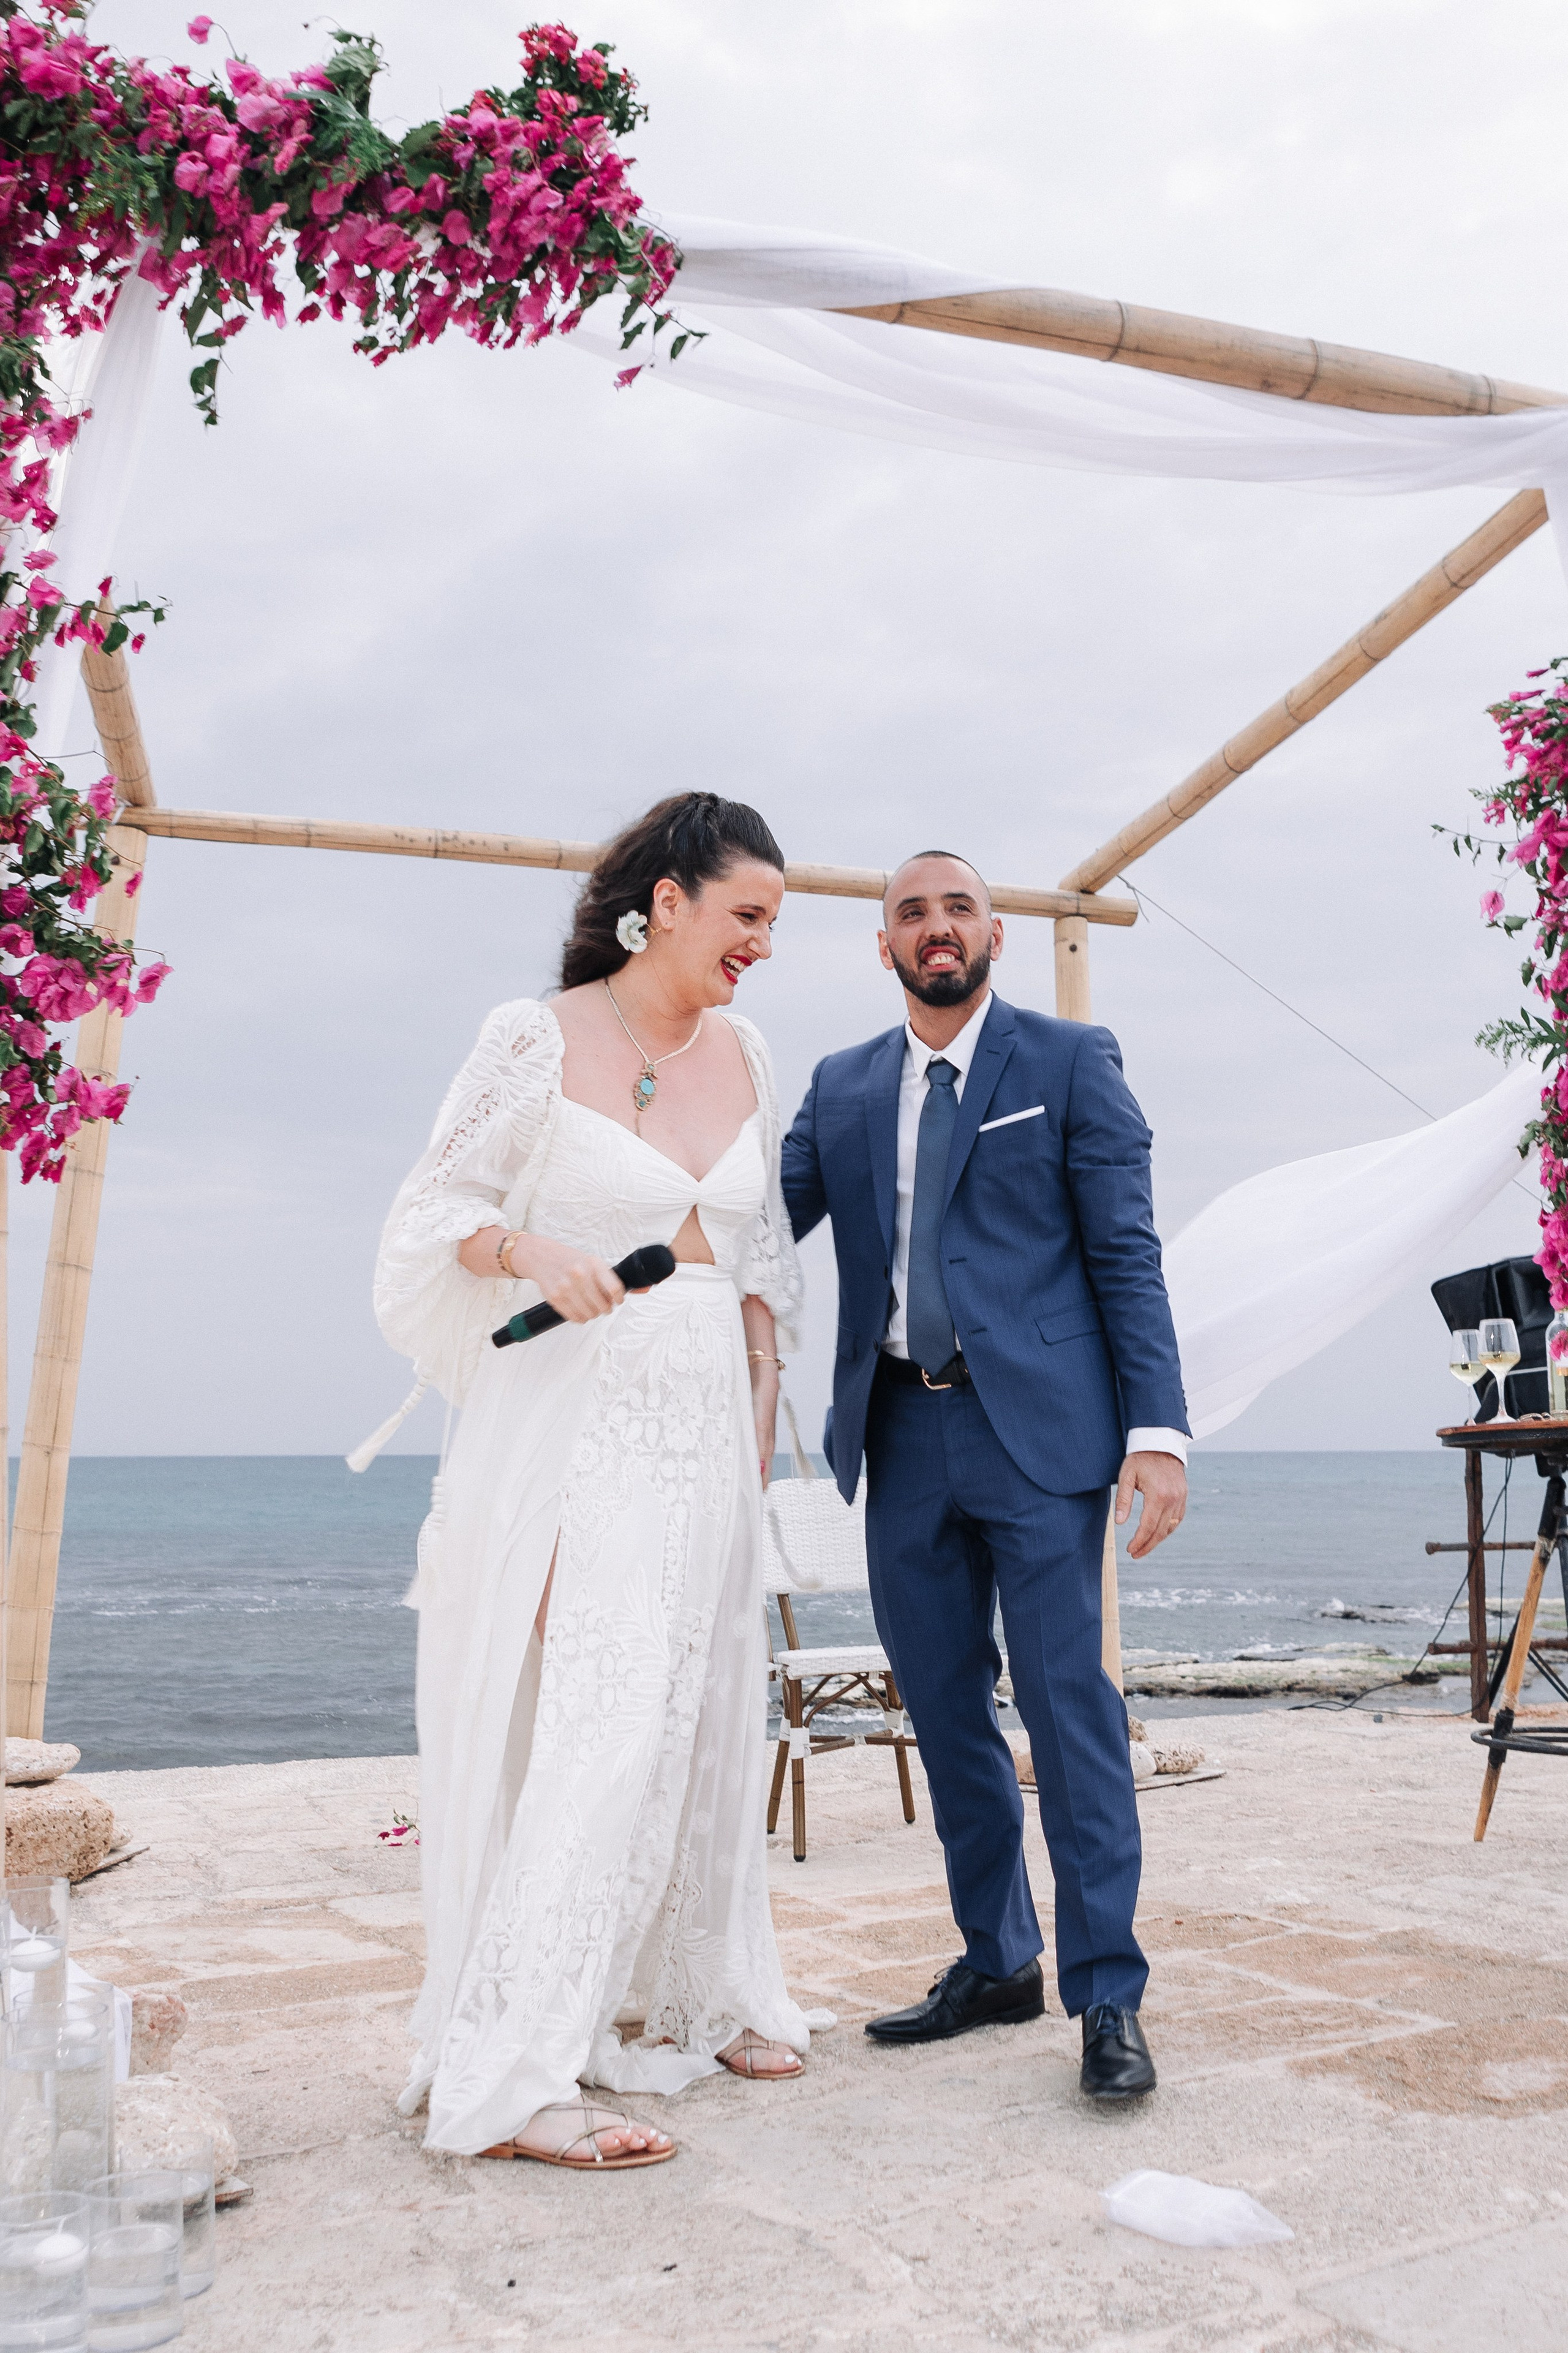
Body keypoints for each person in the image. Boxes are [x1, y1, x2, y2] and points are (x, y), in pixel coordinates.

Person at [370, 792, 813, 2170]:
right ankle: (515, 2072)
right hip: (575, 1412)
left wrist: (754, 1422)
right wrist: (526, 1254)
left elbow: (762, 1269)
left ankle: (689, 1987)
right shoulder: (533, 1033)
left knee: (695, 1716)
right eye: (746, 916)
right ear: (666, 900)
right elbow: (429, 1214)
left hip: (705, 1428)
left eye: (775, 925)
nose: (760, 946)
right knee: (601, 1718)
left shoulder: (744, 1046)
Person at [780, 851, 1188, 2100]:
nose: (934, 926)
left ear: (994, 932)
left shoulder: (1069, 1063)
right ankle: (996, 1957)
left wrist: (1156, 1433)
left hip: (1040, 1439)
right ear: (883, 945)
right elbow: (747, 1224)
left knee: (1068, 1717)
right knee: (947, 1714)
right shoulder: (840, 1086)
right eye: (909, 911)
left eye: (954, 906)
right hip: (899, 1436)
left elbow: (1124, 1252)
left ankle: (1104, 1995)